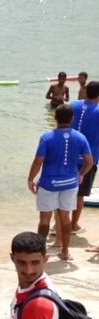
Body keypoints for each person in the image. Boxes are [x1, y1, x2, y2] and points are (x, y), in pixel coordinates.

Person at [28, 104, 92, 261]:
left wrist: (30, 179)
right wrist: (81, 174)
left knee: (44, 219)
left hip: (49, 184)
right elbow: (89, 162)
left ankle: (40, 253)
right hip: (70, 183)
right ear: (72, 119)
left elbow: (38, 162)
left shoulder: (46, 137)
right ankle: (65, 252)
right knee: (65, 218)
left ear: (55, 118)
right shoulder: (80, 137)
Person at [69, 80, 99, 234]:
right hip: (88, 159)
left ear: (86, 91)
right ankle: (73, 225)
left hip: (68, 156)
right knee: (80, 195)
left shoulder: (73, 105)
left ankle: (57, 226)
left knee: (65, 192)